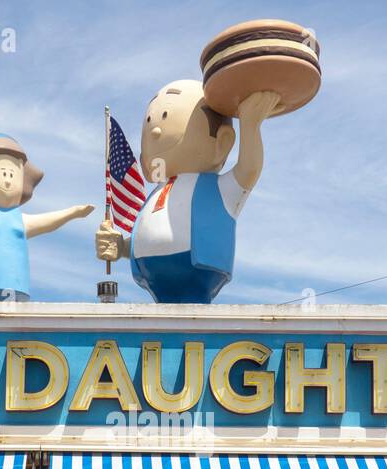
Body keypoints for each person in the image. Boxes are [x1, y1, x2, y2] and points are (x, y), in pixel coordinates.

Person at [94, 81, 279, 304]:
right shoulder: (156, 192)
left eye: (164, 117)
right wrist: (121, 246)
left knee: (191, 322)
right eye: (151, 121)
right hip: (151, 279)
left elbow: (248, 169)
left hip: (199, 274)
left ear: (223, 142)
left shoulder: (217, 188)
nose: (155, 130)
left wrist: (250, 125)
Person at [0, 134, 93, 301]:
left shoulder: (19, 219)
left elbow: (47, 222)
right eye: (3, 172)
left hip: (17, 291)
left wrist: (73, 212)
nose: (7, 179)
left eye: (12, 174)